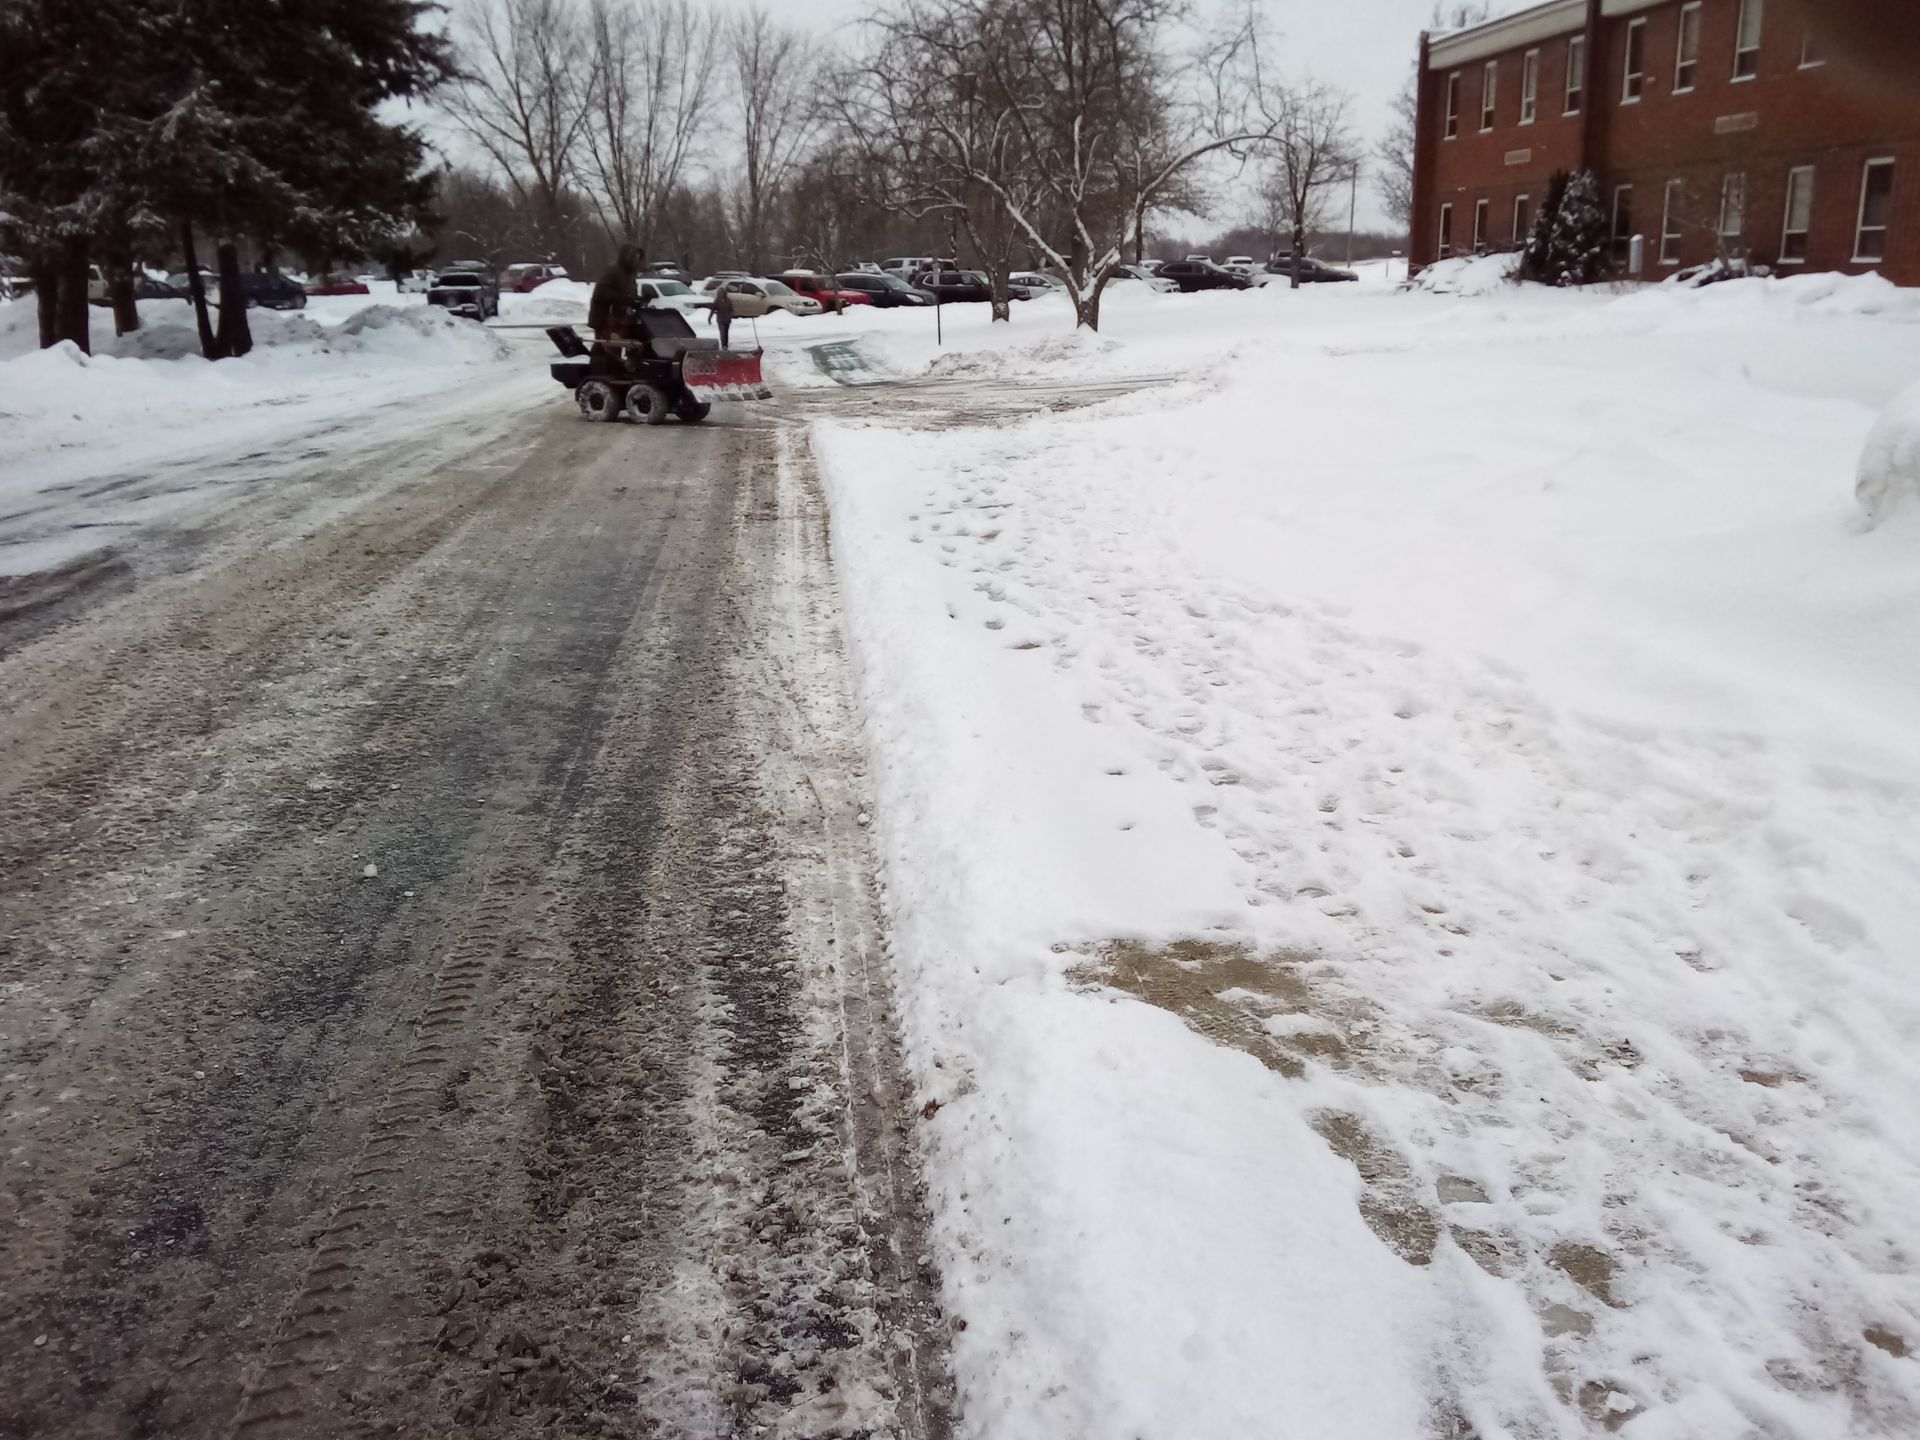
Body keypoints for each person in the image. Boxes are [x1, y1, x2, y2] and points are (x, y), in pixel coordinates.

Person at [588, 242, 643, 348]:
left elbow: (630, 295)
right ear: (627, 257)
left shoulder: (630, 275)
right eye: (634, 257)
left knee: (620, 348)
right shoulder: (613, 271)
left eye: (638, 258)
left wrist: (638, 300)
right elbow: (601, 293)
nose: (636, 260)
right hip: (605, 320)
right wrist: (622, 298)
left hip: (621, 321)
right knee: (604, 348)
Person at [711, 281, 735, 349]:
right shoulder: (717, 301)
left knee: (726, 333)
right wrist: (709, 318)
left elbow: (731, 309)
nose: (721, 294)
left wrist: (731, 315)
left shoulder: (728, 301)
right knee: (722, 332)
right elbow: (713, 309)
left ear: (724, 294)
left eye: (722, 293)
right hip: (720, 319)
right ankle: (723, 345)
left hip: (727, 319)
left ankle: (726, 345)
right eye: (720, 293)